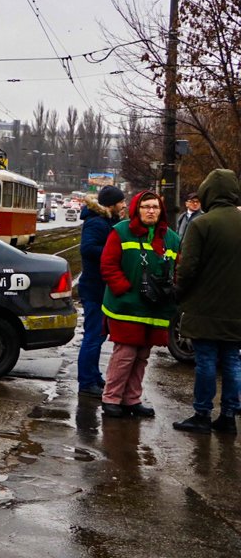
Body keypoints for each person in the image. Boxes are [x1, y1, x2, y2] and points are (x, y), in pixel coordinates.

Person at [99, 190, 180, 418]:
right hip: (126, 306)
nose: (151, 211)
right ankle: (111, 398)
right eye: (146, 207)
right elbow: (108, 265)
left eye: (155, 207)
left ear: (160, 210)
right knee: (125, 353)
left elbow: (178, 270)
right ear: (137, 209)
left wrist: (172, 291)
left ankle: (131, 399)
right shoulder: (121, 232)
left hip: (155, 308)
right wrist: (123, 290)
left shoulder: (171, 238)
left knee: (143, 355)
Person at [172, 169, 241, 435]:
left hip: (203, 308)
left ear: (208, 192)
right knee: (233, 361)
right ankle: (228, 417)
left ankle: (202, 414)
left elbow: (187, 268)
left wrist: (178, 293)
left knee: (206, 362)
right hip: (236, 309)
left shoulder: (202, 223)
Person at [76, 185, 127, 398]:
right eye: (121, 202)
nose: (124, 206)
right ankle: (87, 382)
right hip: (94, 287)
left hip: (100, 288)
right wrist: (114, 252)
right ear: (111, 204)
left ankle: (94, 376)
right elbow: (87, 249)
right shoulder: (97, 223)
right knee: (93, 336)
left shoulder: (107, 221)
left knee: (98, 335)